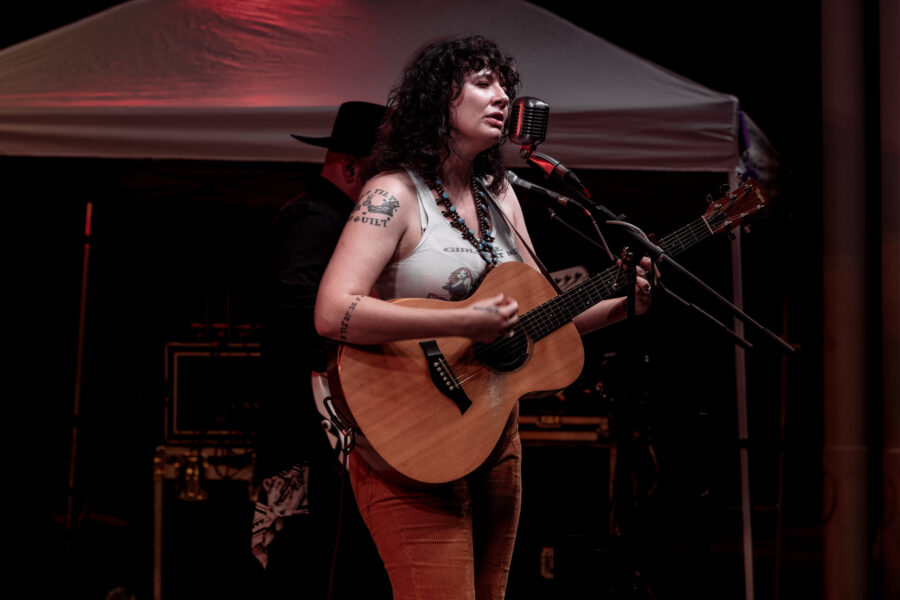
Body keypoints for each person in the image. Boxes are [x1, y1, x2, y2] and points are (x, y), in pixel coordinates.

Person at [314, 36, 652, 600]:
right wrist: (462, 322)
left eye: (504, 86)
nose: (502, 98)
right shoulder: (392, 194)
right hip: (409, 432)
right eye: (482, 83)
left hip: (492, 430)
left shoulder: (500, 195)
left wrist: (621, 307)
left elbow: (540, 318)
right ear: (437, 97)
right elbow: (333, 311)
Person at [252, 101, 391, 599]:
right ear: (352, 168)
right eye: (380, 174)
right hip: (308, 429)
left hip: (320, 426)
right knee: (310, 566)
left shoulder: (334, 219)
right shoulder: (317, 219)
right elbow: (297, 313)